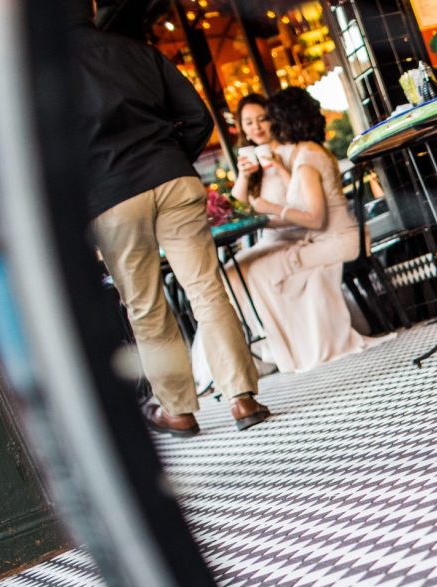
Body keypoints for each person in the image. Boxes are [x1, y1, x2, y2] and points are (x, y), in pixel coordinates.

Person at [68, 0, 270, 437]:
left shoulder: (44, 76)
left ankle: (178, 410)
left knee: (145, 306)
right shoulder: (134, 50)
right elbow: (197, 115)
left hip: (111, 196)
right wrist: (173, 159)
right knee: (205, 288)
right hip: (172, 176)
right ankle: (243, 399)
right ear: (90, 7)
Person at [228, 89, 379, 372]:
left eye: (268, 118)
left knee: (259, 270)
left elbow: (315, 218)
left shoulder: (305, 156)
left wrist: (269, 210)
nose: (264, 126)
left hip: (335, 240)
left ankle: (292, 348)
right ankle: (286, 345)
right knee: (253, 269)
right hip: (326, 237)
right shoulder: (304, 153)